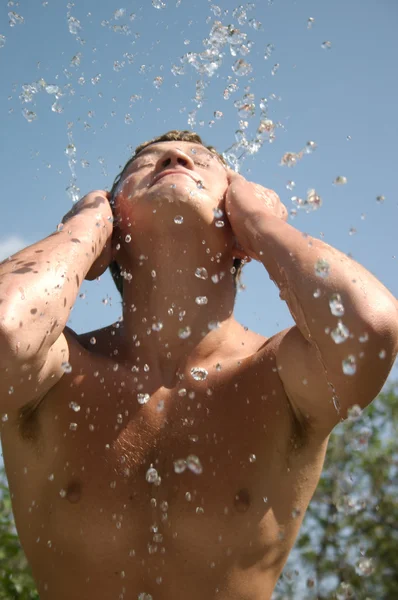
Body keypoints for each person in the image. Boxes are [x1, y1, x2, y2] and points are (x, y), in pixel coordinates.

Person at [0, 129, 397, 600]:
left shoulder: (275, 374)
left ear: (236, 224)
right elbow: (7, 330)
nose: (173, 156)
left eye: (202, 160)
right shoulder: (55, 371)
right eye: (145, 162)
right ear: (113, 226)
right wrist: (82, 231)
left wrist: (263, 224)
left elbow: (368, 327)